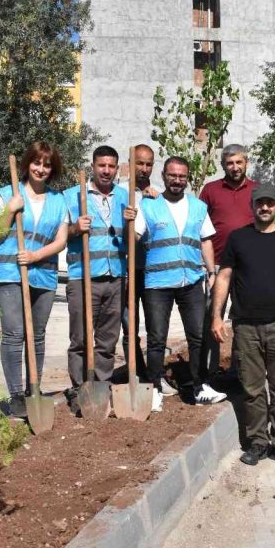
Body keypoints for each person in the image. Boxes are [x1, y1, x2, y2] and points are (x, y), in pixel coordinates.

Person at [211, 183, 275, 467]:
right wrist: (217, 316)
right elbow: (224, 277)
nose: (264, 207)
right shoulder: (238, 239)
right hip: (246, 326)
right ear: (252, 206)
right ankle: (258, 441)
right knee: (252, 388)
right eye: (259, 203)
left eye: (270, 203)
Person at [135, 156, 227, 409]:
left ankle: (200, 387)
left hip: (191, 281)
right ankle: (154, 389)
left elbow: (205, 240)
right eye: (172, 175)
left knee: (197, 336)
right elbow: (134, 236)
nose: (177, 180)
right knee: (156, 338)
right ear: (164, 176)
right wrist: (128, 222)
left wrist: (211, 271)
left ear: (187, 178)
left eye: (182, 176)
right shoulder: (149, 205)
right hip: (158, 283)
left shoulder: (198, 207)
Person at [0, 141, 68, 417]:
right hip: (8, 274)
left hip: (43, 274)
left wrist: (35, 256)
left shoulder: (58, 201)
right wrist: (10, 210)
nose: (41, 169)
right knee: (14, 333)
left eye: (47, 165)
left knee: (36, 335)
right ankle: (15, 396)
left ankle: (33, 389)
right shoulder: (8, 194)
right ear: (27, 164)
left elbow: (60, 241)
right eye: (36, 162)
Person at [62, 145, 137, 413]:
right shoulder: (72, 196)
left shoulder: (126, 198)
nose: (106, 170)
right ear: (92, 166)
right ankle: (80, 389)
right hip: (83, 277)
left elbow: (135, 238)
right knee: (80, 339)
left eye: (111, 166)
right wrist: (75, 228)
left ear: (117, 169)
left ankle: (102, 388)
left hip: (116, 276)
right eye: (101, 165)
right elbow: (58, 235)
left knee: (107, 340)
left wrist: (130, 223)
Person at [199, 144, 258, 382]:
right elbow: (199, 225)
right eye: (230, 163)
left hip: (248, 267)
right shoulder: (210, 190)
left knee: (244, 320)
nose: (235, 167)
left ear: (246, 163)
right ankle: (209, 372)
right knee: (212, 317)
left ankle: (240, 370)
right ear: (223, 165)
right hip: (217, 266)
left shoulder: (256, 190)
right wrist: (207, 268)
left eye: (239, 162)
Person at [123, 144, 158, 384]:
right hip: (127, 270)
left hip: (152, 271)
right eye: (139, 163)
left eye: (148, 164)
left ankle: (155, 375)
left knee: (156, 326)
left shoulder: (158, 195)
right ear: (130, 163)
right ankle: (135, 373)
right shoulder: (120, 194)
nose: (144, 169)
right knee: (129, 325)